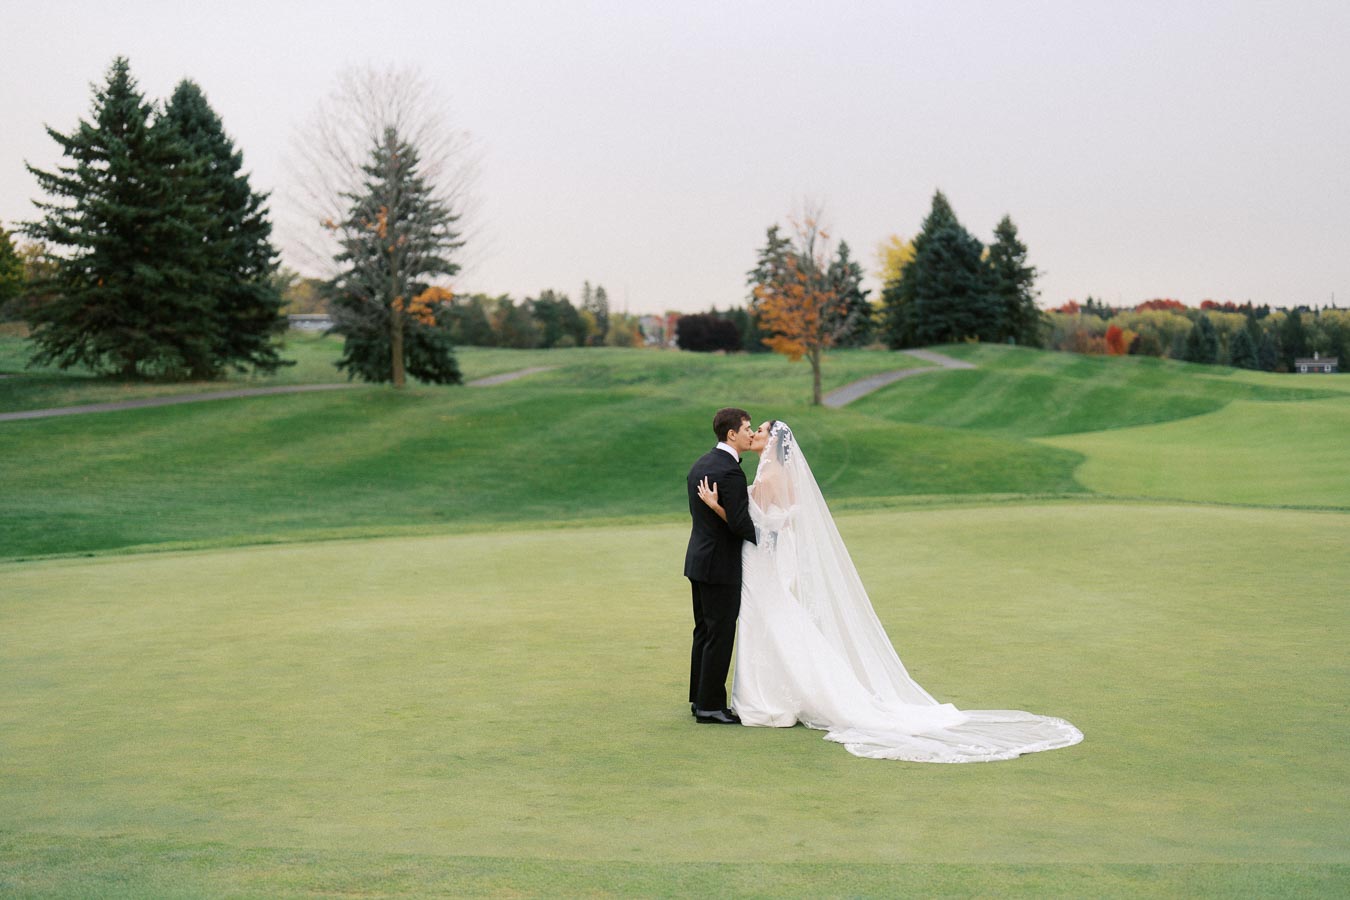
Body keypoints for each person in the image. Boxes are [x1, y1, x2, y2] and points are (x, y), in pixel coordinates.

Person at [696, 420, 1084, 761]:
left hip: (759, 560)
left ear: (772, 443)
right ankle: (772, 695)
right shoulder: (778, 475)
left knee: (767, 622)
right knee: (775, 621)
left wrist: (716, 507)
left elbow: (748, 523)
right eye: (752, 429)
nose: (754, 434)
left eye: (759, 430)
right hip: (763, 559)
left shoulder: (769, 478)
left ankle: (769, 700)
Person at [683, 407, 758, 724]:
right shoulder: (729, 471)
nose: (750, 433)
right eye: (747, 428)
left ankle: (699, 699)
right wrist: (770, 537)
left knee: (704, 631)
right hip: (719, 565)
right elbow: (741, 524)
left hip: (699, 559)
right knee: (720, 632)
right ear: (732, 434)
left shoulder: (702, 463)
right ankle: (711, 705)